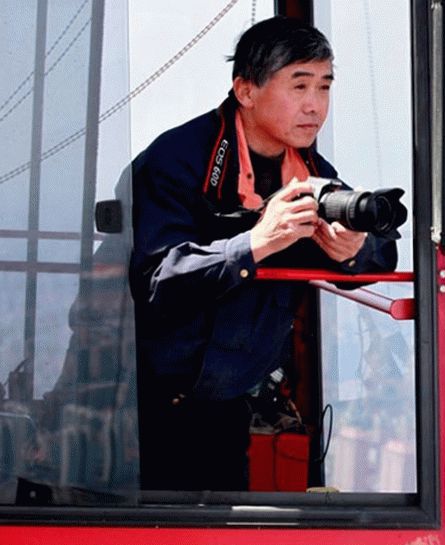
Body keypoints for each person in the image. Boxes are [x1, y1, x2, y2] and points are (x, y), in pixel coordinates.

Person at [129, 16, 398, 491]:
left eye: (324, 87)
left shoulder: (311, 171)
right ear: (246, 90)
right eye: (299, 86)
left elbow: (380, 253)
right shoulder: (179, 160)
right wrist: (255, 242)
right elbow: (156, 279)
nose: (315, 106)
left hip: (231, 402)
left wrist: (354, 250)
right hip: (146, 401)